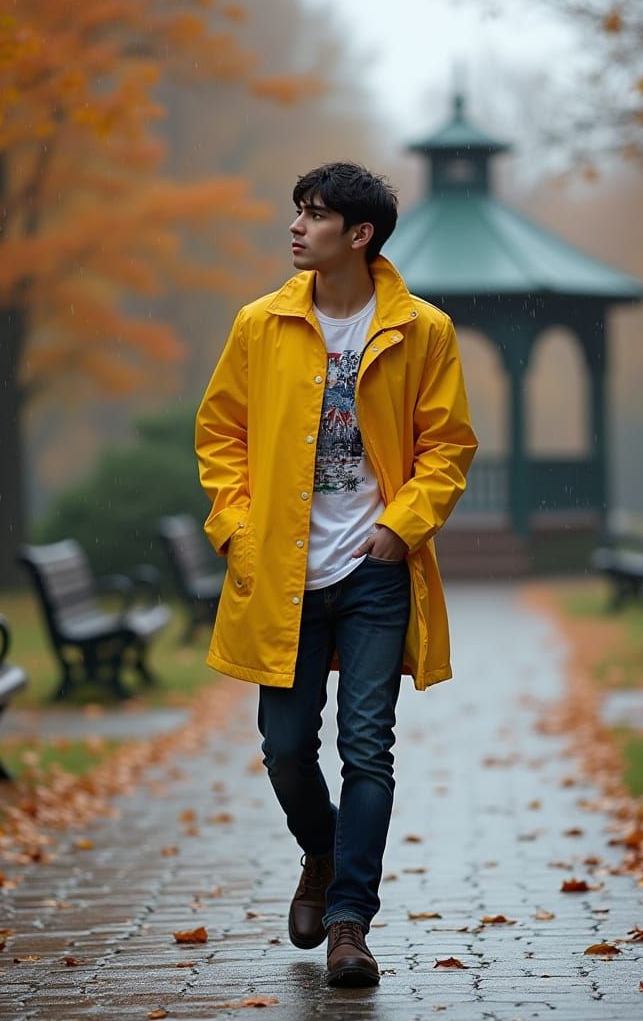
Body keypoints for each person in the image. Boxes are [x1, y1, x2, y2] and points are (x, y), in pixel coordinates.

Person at [195, 161, 477, 987]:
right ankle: (322, 854)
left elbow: (448, 446)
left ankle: (351, 920)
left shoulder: (423, 329)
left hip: (373, 574)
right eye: (296, 212)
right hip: (280, 573)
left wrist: (401, 527)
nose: (295, 227)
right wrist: (237, 531)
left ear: (359, 235)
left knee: (368, 750)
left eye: (312, 215)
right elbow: (220, 435)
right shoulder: (259, 324)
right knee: (284, 750)